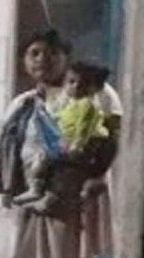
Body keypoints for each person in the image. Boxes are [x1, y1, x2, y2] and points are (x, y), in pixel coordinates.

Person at [0, 28, 122, 258]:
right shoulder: (22, 104)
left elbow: (112, 137)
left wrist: (95, 177)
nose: (42, 59)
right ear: (24, 62)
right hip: (26, 194)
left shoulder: (95, 91)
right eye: (34, 53)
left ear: (67, 58)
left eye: (51, 53)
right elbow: (3, 155)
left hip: (73, 193)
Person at [13, 60, 113, 212]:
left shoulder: (88, 105)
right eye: (71, 82)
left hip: (83, 146)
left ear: (95, 88)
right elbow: (61, 117)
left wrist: (76, 146)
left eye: (84, 84)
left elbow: (84, 129)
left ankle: (47, 197)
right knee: (42, 159)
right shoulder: (73, 103)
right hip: (65, 141)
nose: (76, 87)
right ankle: (36, 188)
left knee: (62, 171)